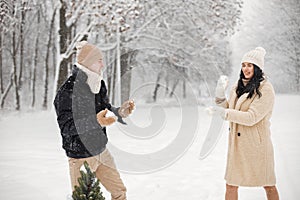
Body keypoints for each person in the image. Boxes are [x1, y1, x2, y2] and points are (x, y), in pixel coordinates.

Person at [53, 41, 135, 200]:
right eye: (99, 60)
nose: (103, 65)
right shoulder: (67, 91)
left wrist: (119, 112)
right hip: (80, 156)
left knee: (119, 192)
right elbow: (66, 127)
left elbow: (104, 108)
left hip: (101, 151)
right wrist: (95, 121)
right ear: (88, 62)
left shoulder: (99, 84)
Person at [211, 47, 280, 200]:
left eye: (250, 65)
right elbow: (229, 110)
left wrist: (226, 113)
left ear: (257, 68)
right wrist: (220, 95)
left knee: (268, 184)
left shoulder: (266, 88)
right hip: (237, 146)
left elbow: (251, 117)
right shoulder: (238, 86)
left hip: (257, 146)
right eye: (244, 65)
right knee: (231, 184)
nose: (246, 69)